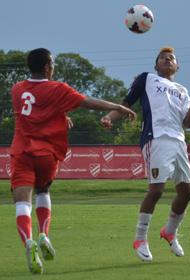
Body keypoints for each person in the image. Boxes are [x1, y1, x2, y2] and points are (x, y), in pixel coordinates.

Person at [10, 48, 136, 274]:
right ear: (48, 67)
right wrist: (116, 106)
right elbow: (88, 102)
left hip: (21, 152)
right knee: (42, 192)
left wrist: (60, 114)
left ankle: (28, 242)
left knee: (21, 202)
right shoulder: (57, 88)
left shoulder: (17, 89)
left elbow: (32, 111)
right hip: (46, 154)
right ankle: (44, 235)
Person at [101, 47, 190, 262]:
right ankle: (140, 238)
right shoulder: (147, 79)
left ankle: (169, 231)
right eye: (163, 58)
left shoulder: (182, 90)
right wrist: (110, 116)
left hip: (179, 141)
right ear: (156, 65)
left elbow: (189, 123)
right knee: (156, 190)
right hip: (156, 138)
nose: (168, 59)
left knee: (187, 193)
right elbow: (126, 103)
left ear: (177, 66)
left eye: (171, 58)